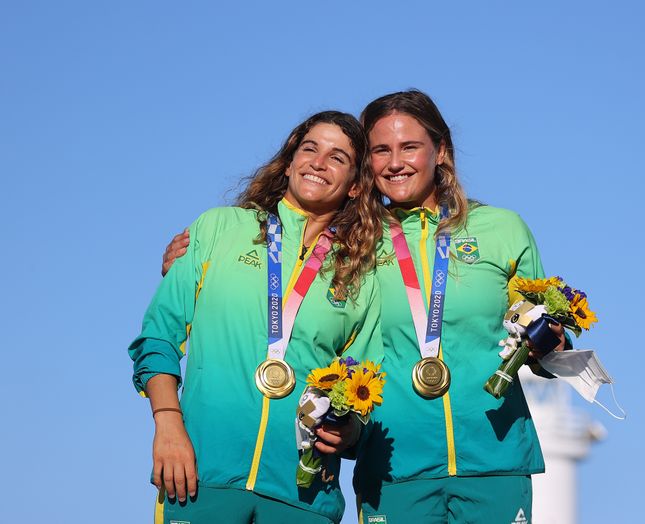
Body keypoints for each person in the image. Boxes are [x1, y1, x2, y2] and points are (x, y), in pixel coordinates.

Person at [162, 91, 566, 523]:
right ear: (366, 165)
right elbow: (278, 289)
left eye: (409, 146)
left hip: (495, 459)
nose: (395, 162)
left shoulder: (503, 229)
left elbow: (539, 338)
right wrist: (186, 265)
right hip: (392, 469)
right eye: (380, 150)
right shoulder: (354, 245)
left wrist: (552, 344)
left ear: (441, 151)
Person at [131, 111, 385, 524]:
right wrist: (168, 424)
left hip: (303, 496)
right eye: (310, 149)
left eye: (338, 157)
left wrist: (351, 429)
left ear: (356, 185)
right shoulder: (217, 229)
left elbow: (367, 379)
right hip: (198, 476)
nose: (319, 162)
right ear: (288, 163)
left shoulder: (360, 273)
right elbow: (158, 338)